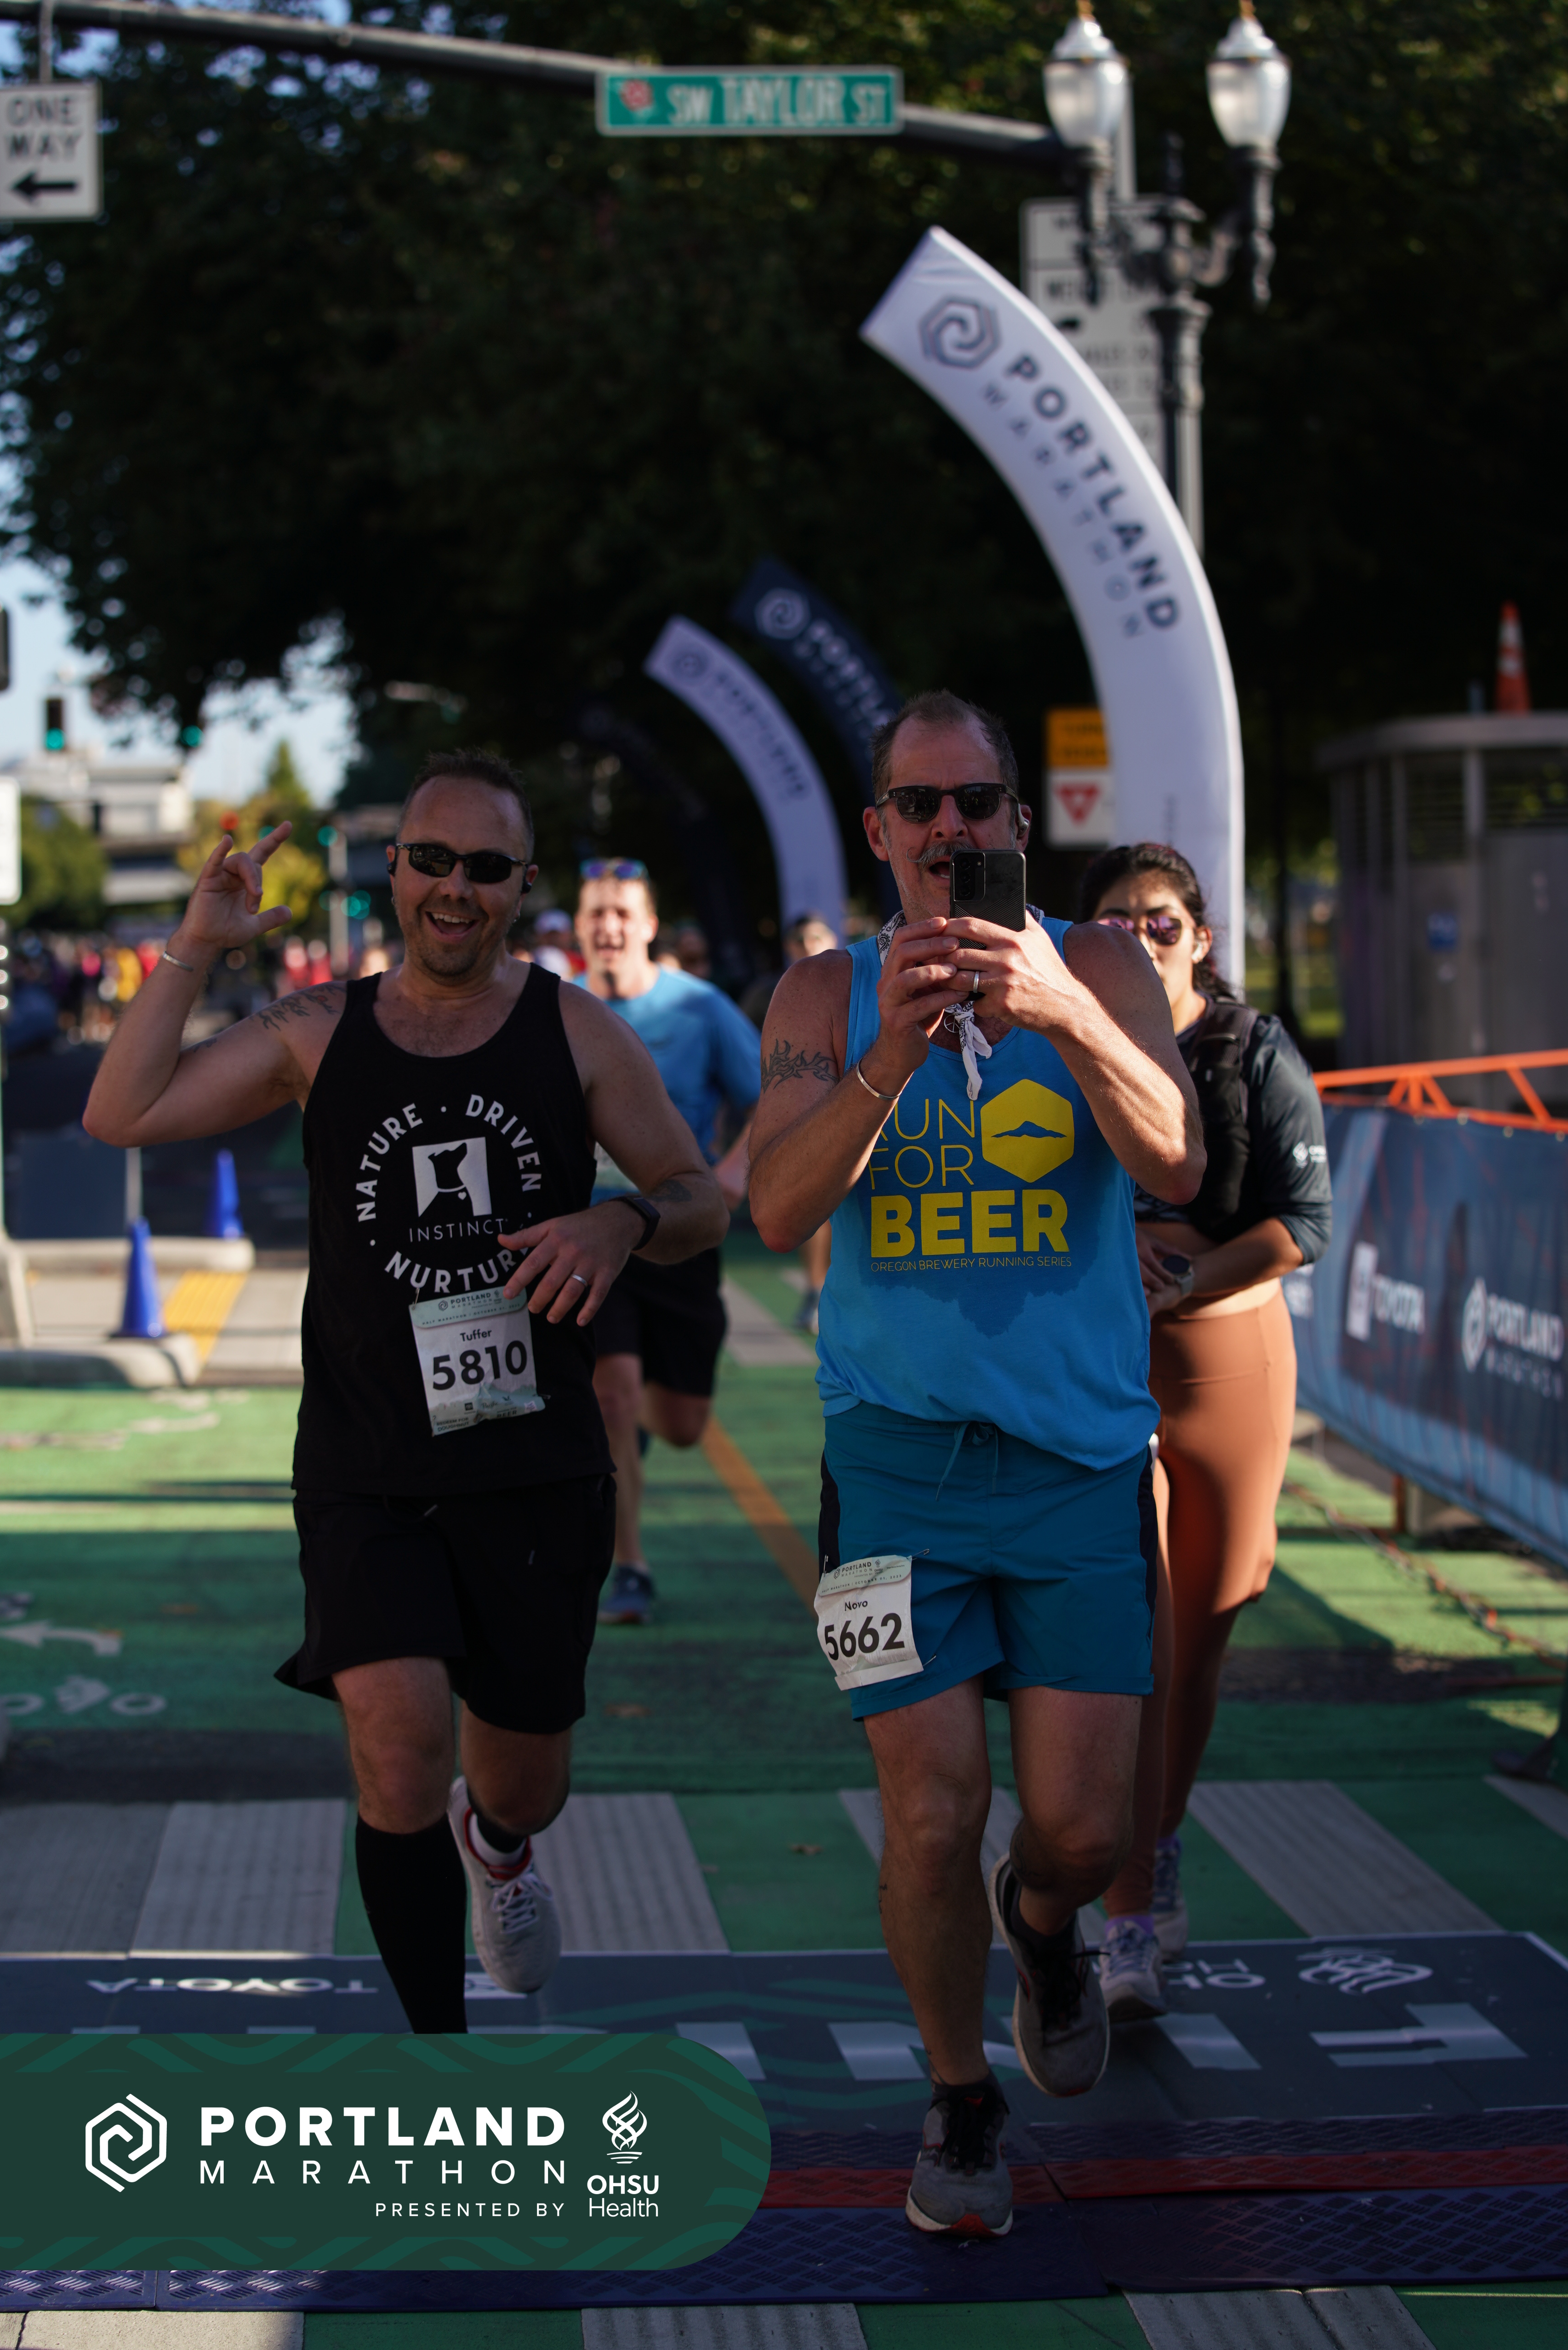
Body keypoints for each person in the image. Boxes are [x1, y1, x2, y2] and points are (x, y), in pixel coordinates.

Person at [83, 753, 726, 2034]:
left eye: (485, 867)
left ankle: (500, 1846)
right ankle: (438, 2052)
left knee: (523, 1781)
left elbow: (700, 1198)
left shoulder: (574, 1029)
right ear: (395, 869)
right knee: (396, 1752)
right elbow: (123, 1110)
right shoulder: (317, 1031)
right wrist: (195, 946)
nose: (454, 887)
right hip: (367, 1461)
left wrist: (621, 1221)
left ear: (521, 886)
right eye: (432, 859)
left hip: (534, 1462)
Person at [748, 690, 1204, 2238]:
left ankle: (1044, 1925)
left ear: (1018, 819)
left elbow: (1177, 1158)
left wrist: (1063, 1014)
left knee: (1083, 1831)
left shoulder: (1103, 964)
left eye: (978, 802)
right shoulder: (823, 994)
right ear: (879, 830)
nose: (950, 828)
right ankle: (956, 2093)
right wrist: (887, 1049)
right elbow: (776, 1209)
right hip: (889, 1476)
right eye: (919, 805)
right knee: (931, 1811)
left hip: (1077, 1467)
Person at [1081, 843, 1331, 2022]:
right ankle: (1126, 1907)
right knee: (1141, 1643)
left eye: (1161, 922)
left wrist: (1189, 1276)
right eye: (1114, 923)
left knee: (1200, 1645)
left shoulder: (1251, 1047)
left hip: (1232, 1360)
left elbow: (1304, 1221)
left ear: (1201, 936)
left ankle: (1160, 1839)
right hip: (1104, 1366)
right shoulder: (1063, 1041)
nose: (1140, 939)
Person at [574, 859, 760, 1625]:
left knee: (680, 1425)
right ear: (579, 927)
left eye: (623, 912)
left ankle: (628, 1437)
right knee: (611, 1393)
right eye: (596, 913)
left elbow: (772, 1098)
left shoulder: (700, 1007)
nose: (610, 926)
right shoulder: (557, 1008)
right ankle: (630, 1566)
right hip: (593, 1236)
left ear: (650, 926)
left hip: (680, 1233)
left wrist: (732, 1176)